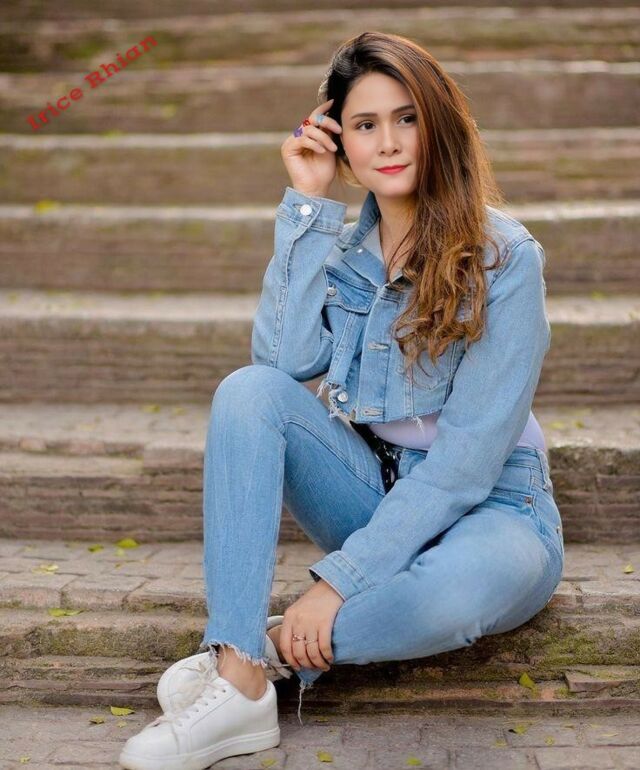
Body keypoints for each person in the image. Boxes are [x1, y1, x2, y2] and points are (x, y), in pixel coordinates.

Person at [119, 30, 564, 770]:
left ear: (439, 125)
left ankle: (249, 656)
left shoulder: (505, 258)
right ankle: (241, 692)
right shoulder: (343, 252)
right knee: (248, 393)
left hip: (497, 507)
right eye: (364, 124)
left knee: (454, 597)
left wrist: (334, 584)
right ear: (340, 141)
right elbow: (281, 366)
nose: (387, 142)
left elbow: (464, 468)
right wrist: (306, 203)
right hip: (373, 491)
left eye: (407, 118)